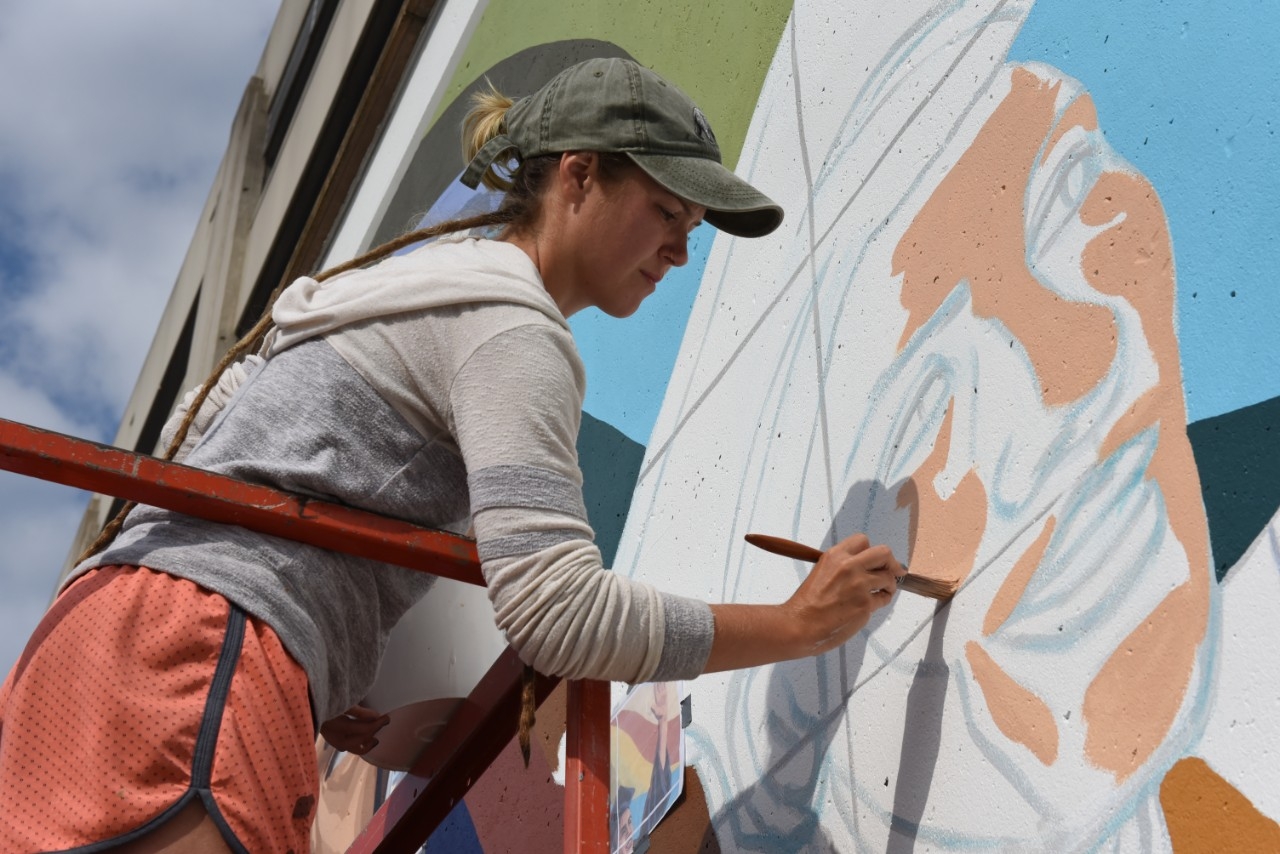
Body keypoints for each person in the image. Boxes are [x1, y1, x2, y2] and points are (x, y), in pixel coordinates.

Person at [0, 56, 904, 853]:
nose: (679, 246)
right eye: (664, 209)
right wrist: (797, 626)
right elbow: (561, 615)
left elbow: (200, 445)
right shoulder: (510, 326)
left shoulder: (387, 285)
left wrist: (331, 652)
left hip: (97, 641)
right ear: (578, 178)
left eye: (693, 225)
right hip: (202, 654)